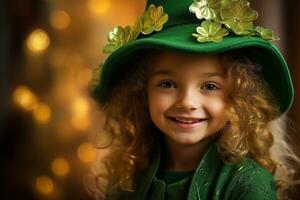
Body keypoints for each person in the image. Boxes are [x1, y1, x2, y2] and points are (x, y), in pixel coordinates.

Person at [87, 0, 299, 199]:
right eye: (167, 84)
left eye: (209, 86)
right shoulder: (127, 176)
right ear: (141, 92)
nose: (187, 102)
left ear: (238, 97)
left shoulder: (248, 183)